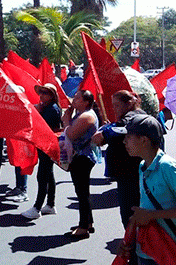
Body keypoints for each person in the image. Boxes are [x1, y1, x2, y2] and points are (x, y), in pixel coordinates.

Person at [121, 113, 176, 265]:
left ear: (144, 140)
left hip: (171, 251)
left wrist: (152, 215)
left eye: (128, 137)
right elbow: (146, 209)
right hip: (148, 250)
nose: (124, 141)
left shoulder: (167, 166)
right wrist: (130, 237)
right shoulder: (143, 166)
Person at [92, 90, 147, 228]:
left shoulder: (131, 118)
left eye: (117, 105)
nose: (114, 109)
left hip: (129, 172)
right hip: (129, 172)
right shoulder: (134, 116)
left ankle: (134, 245)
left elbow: (106, 135)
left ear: (129, 104)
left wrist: (106, 132)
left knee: (130, 214)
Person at [61, 89, 100, 240]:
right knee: (82, 192)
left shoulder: (87, 116)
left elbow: (71, 134)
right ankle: (88, 222)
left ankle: (83, 227)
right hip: (79, 157)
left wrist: (66, 120)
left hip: (83, 158)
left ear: (86, 102)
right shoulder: (81, 114)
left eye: (77, 98)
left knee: (82, 193)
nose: (74, 100)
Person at [21, 83, 62, 219]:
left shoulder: (52, 109)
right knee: (49, 175)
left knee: (42, 176)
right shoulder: (47, 107)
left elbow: (43, 126)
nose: (42, 95)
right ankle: (50, 204)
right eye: (41, 92)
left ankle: (37, 208)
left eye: (45, 92)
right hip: (45, 144)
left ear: (52, 95)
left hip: (47, 145)